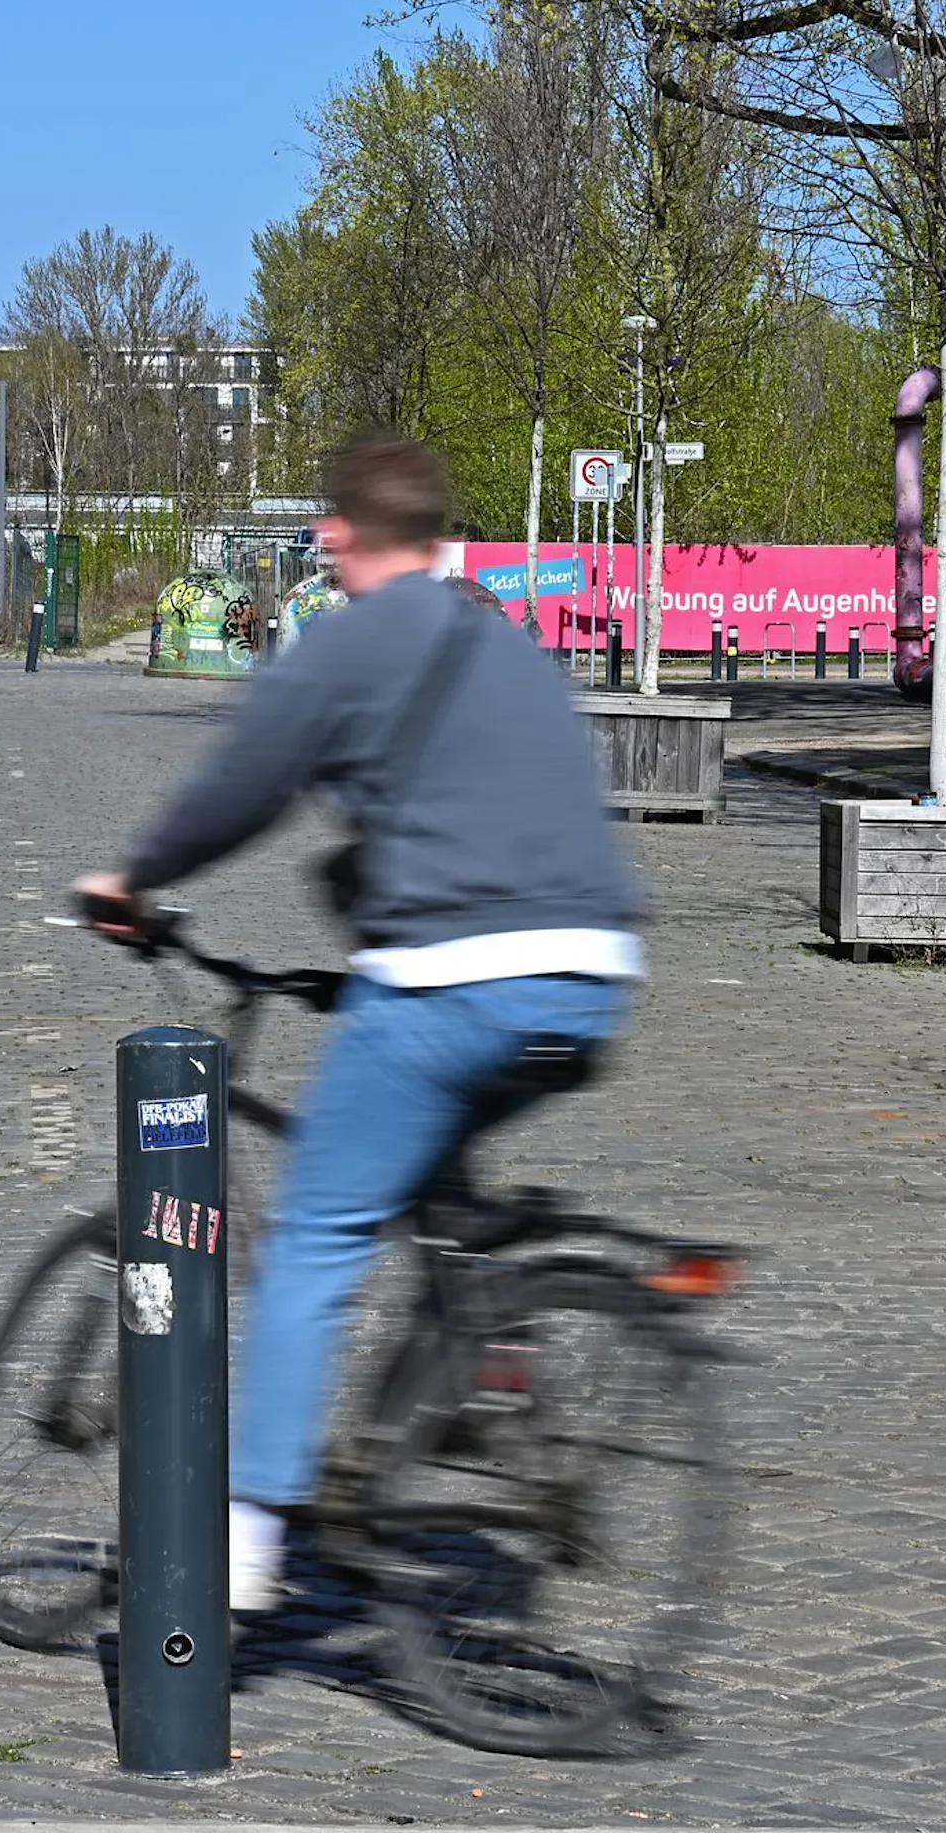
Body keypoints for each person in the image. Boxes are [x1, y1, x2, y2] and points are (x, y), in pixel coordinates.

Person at [77, 433, 641, 1612]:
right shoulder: (504, 641)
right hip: (589, 973)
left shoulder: (355, 637)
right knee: (437, 1177)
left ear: (336, 534)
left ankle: (240, 1541)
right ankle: (482, 1349)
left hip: (454, 978)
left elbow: (245, 780)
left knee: (318, 1237)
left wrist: (134, 876)